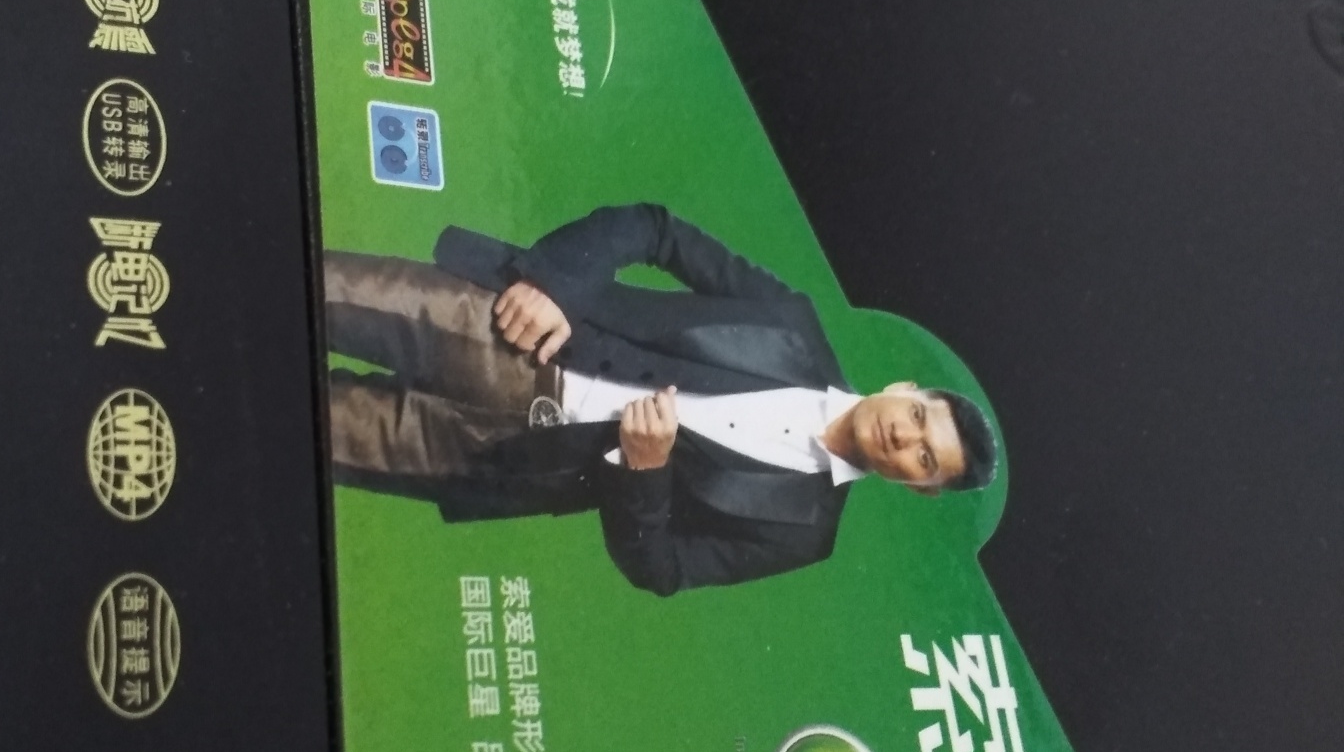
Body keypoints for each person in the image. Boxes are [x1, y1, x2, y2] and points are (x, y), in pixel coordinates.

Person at [324, 203, 996, 594]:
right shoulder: (791, 324)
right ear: (904, 390)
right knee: (314, 289)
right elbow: (657, 229)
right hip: (508, 327)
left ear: (921, 489)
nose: (905, 437)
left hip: (502, 458)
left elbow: (662, 569)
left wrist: (644, 473)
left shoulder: (804, 533)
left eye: (925, 458)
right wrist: (556, 286)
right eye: (918, 417)